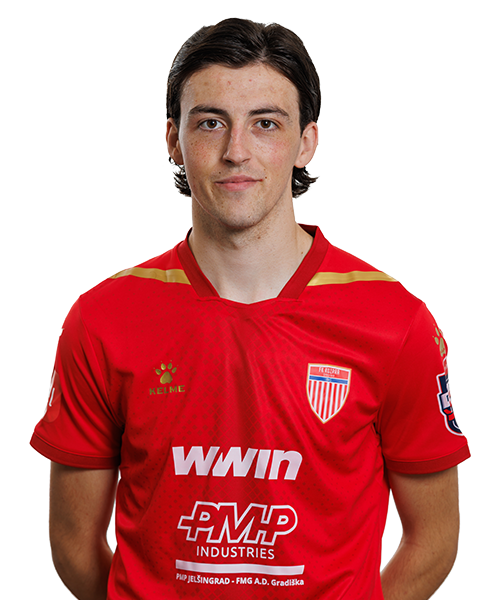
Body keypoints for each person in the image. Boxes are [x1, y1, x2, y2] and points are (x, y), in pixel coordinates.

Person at [30, 18, 470, 600]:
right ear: (173, 139)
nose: (236, 151)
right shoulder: (102, 320)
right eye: (211, 122)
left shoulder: (395, 323)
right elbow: (73, 543)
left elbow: (433, 540)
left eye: (266, 123)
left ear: (306, 142)